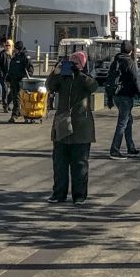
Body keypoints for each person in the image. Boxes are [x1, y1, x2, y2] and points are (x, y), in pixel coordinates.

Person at [45, 51, 97, 205]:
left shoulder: (85, 78)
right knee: (59, 162)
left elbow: (93, 86)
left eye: (76, 62)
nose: (72, 64)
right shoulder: (62, 77)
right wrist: (56, 72)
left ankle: (79, 195)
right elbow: (50, 86)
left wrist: (79, 73)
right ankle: (58, 193)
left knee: (80, 163)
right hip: (62, 124)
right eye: (71, 61)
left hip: (81, 127)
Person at [105, 40, 140, 158]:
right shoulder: (130, 62)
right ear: (131, 50)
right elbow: (135, 81)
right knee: (122, 123)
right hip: (126, 96)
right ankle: (114, 149)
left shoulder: (116, 61)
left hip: (116, 95)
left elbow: (110, 79)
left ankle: (130, 147)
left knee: (128, 121)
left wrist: (110, 97)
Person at [6, 40, 34, 122]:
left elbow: (30, 69)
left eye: (16, 48)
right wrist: (8, 78)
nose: (15, 49)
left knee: (19, 98)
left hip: (21, 81)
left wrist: (25, 77)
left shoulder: (25, 57)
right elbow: (11, 68)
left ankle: (17, 114)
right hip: (13, 81)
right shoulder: (15, 57)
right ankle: (18, 113)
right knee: (15, 98)